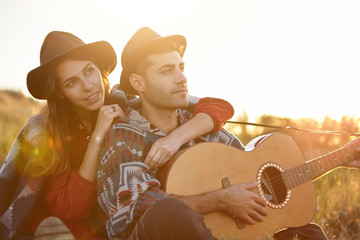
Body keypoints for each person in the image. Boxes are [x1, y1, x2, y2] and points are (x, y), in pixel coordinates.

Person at [96, 27, 338, 240]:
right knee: (169, 211)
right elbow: (136, 208)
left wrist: (342, 158)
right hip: (153, 235)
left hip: (219, 232)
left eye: (181, 68)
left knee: (308, 233)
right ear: (139, 83)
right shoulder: (123, 136)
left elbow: (250, 174)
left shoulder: (198, 124)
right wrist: (221, 200)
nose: (182, 78)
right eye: (167, 71)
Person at [0, 31, 235, 239]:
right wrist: (99, 135)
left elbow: (218, 107)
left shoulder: (125, 103)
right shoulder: (46, 133)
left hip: (106, 219)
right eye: (72, 82)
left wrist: (174, 139)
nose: (89, 86)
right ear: (60, 92)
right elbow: (73, 207)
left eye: (89, 71)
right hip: (70, 226)